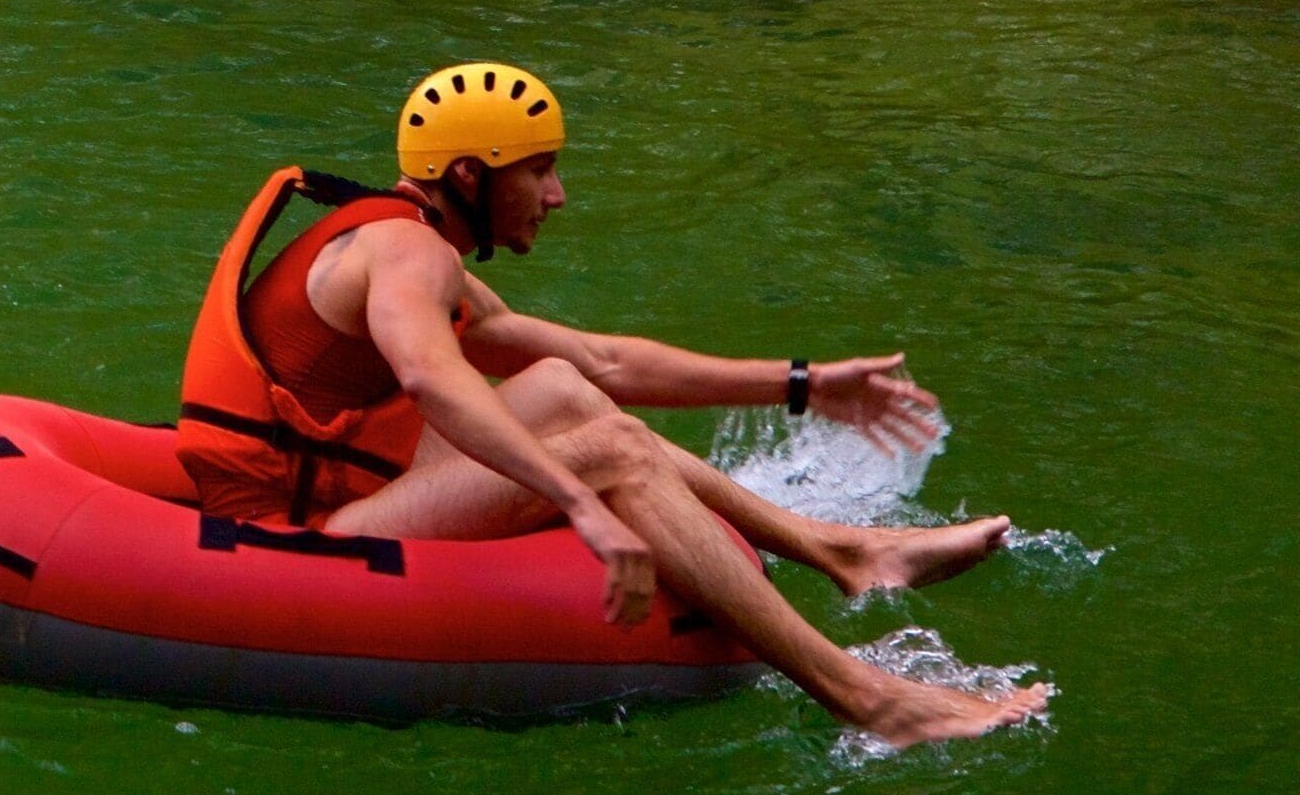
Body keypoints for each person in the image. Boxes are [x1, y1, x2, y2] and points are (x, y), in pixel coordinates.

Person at [176, 64, 1051, 745]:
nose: (557, 196)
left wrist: (802, 383)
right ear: (472, 175)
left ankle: (846, 550)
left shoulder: (404, 245)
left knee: (565, 389)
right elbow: (431, 380)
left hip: (334, 493)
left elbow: (603, 361)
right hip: (288, 536)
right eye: (539, 171)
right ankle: (867, 698)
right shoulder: (408, 254)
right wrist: (580, 501)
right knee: (612, 453)